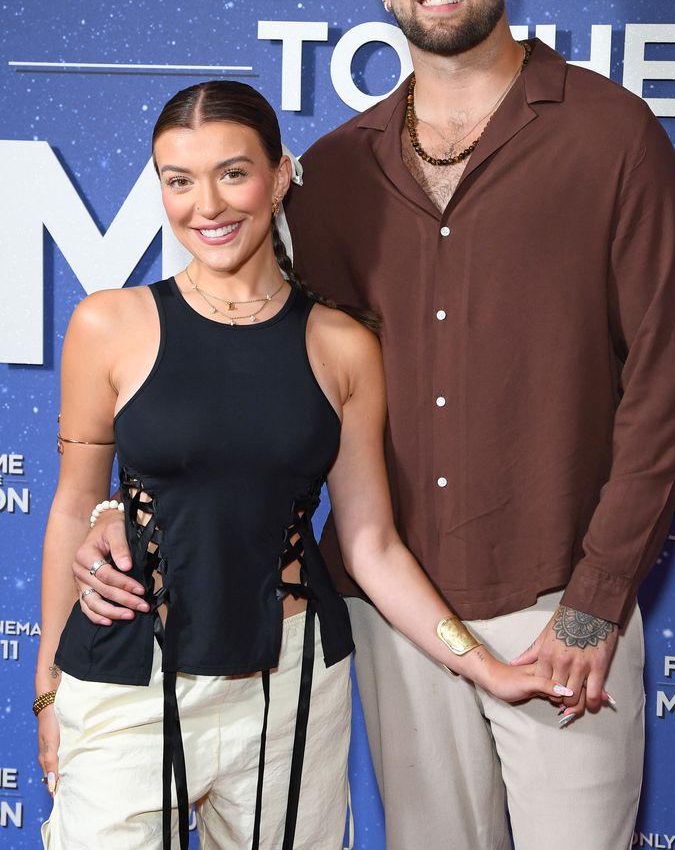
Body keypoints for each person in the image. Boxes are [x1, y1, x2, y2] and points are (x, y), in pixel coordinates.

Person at [283, 0, 675, 850]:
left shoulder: (611, 136)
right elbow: (282, 384)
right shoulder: (335, 172)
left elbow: (660, 384)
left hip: (560, 610)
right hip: (400, 618)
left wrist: (595, 606)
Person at [34, 80, 562, 850]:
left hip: (292, 691)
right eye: (178, 180)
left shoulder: (342, 346)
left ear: (280, 175)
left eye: (232, 173)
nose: (205, 205)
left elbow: (370, 543)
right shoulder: (107, 324)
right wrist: (49, 692)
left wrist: (483, 665)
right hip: (126, 678)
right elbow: (70, 507)